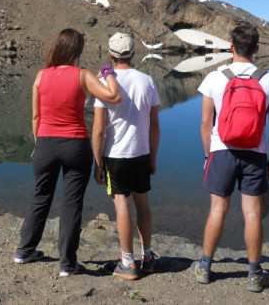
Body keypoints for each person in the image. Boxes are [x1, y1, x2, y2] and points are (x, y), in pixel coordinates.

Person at [14, 28, 121, 277]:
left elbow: (36, 116)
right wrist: (108, 73)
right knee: (71, 204)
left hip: (45, 143)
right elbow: (113, 96)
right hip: (75, 145)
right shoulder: (82, 75)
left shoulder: (41, 76)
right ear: (77, 51)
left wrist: (39, 143)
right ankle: (67, 265)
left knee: (40, 197)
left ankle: (24, 251)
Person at [191, 24, 269, 292]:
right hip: (256, 154)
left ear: (231, 48)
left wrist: (208, 155)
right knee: (253, 212)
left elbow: (206, 124)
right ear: (256, 49)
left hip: (222, 150)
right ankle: (255, 274)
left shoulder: (214, 78)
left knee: (218, 209)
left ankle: (205, 267)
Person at [91, 32, 161, 280]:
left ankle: (128, 263)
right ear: (133, 53)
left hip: (116, 155)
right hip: (141, 152)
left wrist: (97, 163)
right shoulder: (147, 81)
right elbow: (154, 125)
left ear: (109, 54)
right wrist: (153, 156)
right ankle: (148, 256)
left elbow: (99, 130)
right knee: (142, 203)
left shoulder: (103, 83)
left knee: (122, 205)